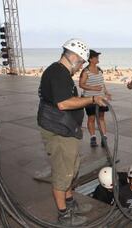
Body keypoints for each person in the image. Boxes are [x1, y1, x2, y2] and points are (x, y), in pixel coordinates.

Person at [37, 38, 107, 225]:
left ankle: (69, 204)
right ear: (74, 56)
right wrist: (92, 99)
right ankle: (64, 215)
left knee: (70, 170)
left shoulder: (60, 73)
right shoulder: (58, 73)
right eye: (82, 61)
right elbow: (64, 103)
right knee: (62, 174)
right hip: (59, 133)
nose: (81, 66)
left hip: (66, 131)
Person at [79, 49, 112, 147]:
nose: (98, 58)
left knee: (101, 117)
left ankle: (104, 137)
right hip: (90, 99)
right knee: (91, 118)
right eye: (96, 57)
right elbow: (81, 84)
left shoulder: (99, 69)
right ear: (90, 59)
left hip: (101, 99)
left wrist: (106, 92)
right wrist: (93, 88)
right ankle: (93, 137)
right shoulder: (86, 71)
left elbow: (102, 83)